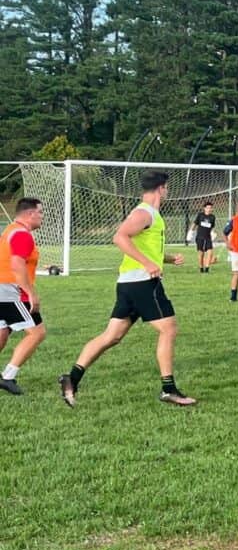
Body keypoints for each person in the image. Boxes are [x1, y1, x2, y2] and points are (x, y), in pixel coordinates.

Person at [59, 171, 196, 407]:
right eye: (167, 188)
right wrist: (148, 264)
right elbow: (120, 237)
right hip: (142, 282)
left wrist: (169, 259)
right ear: (162, 188)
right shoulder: (144, 212)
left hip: (129, 283)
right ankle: (168, 389)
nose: (168, 191)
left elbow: (146, 249)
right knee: (169, 329)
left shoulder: (150, 214)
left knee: (112, 336)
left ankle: (72, 378)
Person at [0, 198, 46, 395]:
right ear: (30, 214)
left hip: (3, 287)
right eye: (41, 212)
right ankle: (8, 377)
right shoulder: (22, 235)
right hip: (10, 289)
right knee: (37, 332)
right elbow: (17, 264)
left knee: (3, 332)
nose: (42, 216)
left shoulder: (10, 229)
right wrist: (30, 293)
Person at [190, 201, 217, 273]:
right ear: (204, 208)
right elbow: (194, 224)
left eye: (210, 208)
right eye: (207, 208)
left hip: (208, 237)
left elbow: (212, 227)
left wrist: (213, 233)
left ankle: (207, 268)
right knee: (201, 254)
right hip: (200, 237)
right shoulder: (200, 215)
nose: (209, 209)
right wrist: (190, 232)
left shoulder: (212, 217)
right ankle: (201, 268)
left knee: (210, 252)